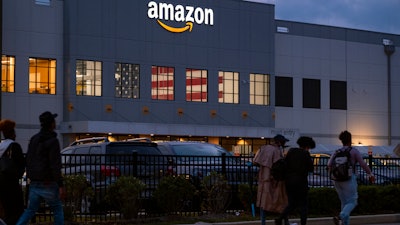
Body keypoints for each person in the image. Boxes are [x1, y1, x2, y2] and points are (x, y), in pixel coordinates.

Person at [16, 111, 65, 225]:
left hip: (34, 182)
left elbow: (28, 159)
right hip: (48, 182)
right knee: (57, 209)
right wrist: (61, 184)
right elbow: (55, 165)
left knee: (30, 210)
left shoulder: (34, 139)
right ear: (51, 124)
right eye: (54, 121)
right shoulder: (53, 141)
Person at [328, 130, 375, 225]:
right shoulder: (353, 151)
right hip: (349, 179)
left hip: (337, 180)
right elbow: (363, 164)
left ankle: (344, 222)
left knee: (344, 203)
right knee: (353, 201)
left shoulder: (337, 151)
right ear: (350, 139)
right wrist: (370, 174)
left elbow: (329, 164)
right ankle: (340, 217)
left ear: (341, 141)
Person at [275, 136, 315, 225]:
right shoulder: (305, 154)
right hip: (301, 182)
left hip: (289, 181)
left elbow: (285, 164)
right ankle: (303, 223)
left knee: (291, 203)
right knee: (303, 205)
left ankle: (280, 218)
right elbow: (311, 168)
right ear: (307, 146)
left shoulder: (291, 151)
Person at [253, 134, 289, 225]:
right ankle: (285, 221)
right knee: (281, 201)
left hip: (263, 179)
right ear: (280, 142)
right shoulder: (277, 151)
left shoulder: (263, 148)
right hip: (274, 180)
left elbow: (256, 162)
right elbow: (278, 166)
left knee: (263, 203)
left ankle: (263, 222)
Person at [0, 119, 26, 225]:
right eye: (14, 132)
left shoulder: (0, 146)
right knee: (17, 211)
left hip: (1, 183)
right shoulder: (14, 146)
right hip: (12, 184)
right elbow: (21, 165)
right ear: (12, 133)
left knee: (7, 211)